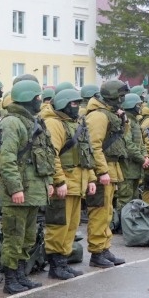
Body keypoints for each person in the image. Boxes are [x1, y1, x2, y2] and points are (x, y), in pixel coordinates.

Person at [0, 79, 55, 295]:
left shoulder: (34, 122)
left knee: (28, 236)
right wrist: (15, 188)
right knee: (13, 236)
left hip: (34, 189)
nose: (40, 101)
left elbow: (45, 156)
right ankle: (10, 279)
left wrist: (48, 183)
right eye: (38, 97)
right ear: (29, 99)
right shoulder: (12, 123)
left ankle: (20, 275)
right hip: (19, 191)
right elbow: (6, 159)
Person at [43, 87, 95, 279]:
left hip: (77, 183)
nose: (77, 107)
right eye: (74, 103)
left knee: (71, 226)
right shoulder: (54, 124)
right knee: (58, 227)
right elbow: (52, 155)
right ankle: (56, 266)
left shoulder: (75, 123)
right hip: (65, 184)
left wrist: (90, 178)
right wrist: (59, 181)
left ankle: (63, 262)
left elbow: (86, 153)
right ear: (64, 104)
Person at [82, 80, 128, 268]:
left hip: (111, 168)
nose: (123, 100)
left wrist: (123, 120)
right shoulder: (98, 116)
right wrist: (101, 171)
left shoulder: (108, 113)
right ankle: (97, 252)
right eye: (120, 96)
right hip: (103, 168)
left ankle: (104, 247)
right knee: (99, 212)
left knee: (107, 212)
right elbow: (94, 146)